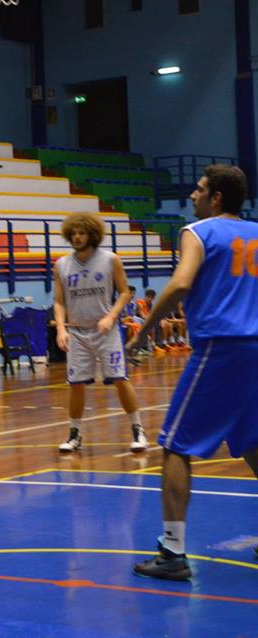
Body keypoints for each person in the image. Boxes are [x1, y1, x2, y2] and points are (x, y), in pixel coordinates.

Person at [126, 164, 258, 581]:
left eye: (199, 189)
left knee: (175, 445)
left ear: (215, 197)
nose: (192, 196)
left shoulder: (197, 231)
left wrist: (145, 331)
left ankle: (172, 551)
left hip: (221, 347)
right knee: (255, 445)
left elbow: (182, 284)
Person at [53, 212, 146, 453]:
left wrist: (111, 316)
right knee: (76, 384)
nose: (77, 237)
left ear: (92, 234)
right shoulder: (61, 265)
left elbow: (125, 292)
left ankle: (137, 428)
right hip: (77, 333)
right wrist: (61, 329)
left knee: (119, 379)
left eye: (81, 233)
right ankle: (74, 434)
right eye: (73, 233)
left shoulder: (110, 259)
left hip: (106, 331)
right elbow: (59, 301)